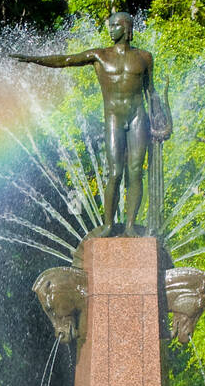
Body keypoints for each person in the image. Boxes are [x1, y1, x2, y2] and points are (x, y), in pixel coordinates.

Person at [11, 12, 157, 234]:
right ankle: (108, 225)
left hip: (138, 117)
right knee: (115, 173)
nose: (111, 29)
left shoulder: (144, 57)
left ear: (126, 28)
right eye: (110, 25)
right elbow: (66, 60)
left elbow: (150, 92)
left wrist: (160, 118)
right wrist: (34, 59)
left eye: (116, 26)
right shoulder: (100, 56)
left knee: (136, 172)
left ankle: (129, 226)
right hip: (114, 118)